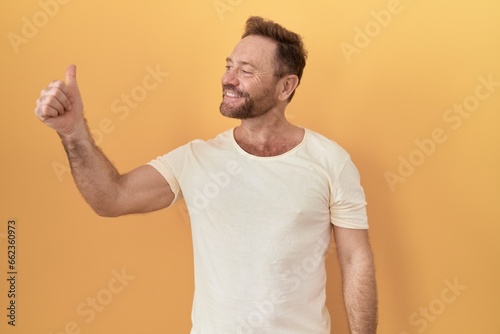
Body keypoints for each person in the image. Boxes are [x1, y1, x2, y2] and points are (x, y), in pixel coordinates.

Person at [35, 16, 377, 334]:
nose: (228, 78)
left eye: (246, 70)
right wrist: (73, 132)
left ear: (285, 86)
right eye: (229, 66)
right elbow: (111, 198)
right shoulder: (196, 159)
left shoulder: (330, 161)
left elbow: (354, 257)